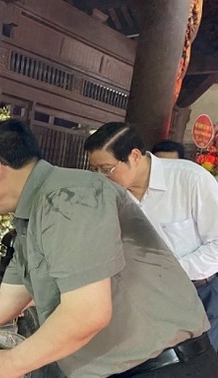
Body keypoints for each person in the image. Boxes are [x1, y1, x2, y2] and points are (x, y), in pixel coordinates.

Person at [0, 119, 217, 378]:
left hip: (166, 367)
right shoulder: (33, 214)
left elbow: (88, 313)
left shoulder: (68, 197)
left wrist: (15, 361)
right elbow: (8, 300)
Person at [85, 122, 218, 351]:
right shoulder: (109, 196)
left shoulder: (189, 180)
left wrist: (168, 273)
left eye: (107, 168)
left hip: (198, 294)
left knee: (198, 365)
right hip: (143, 300)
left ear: (135, 156)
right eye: (94, 170)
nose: (101, 177)